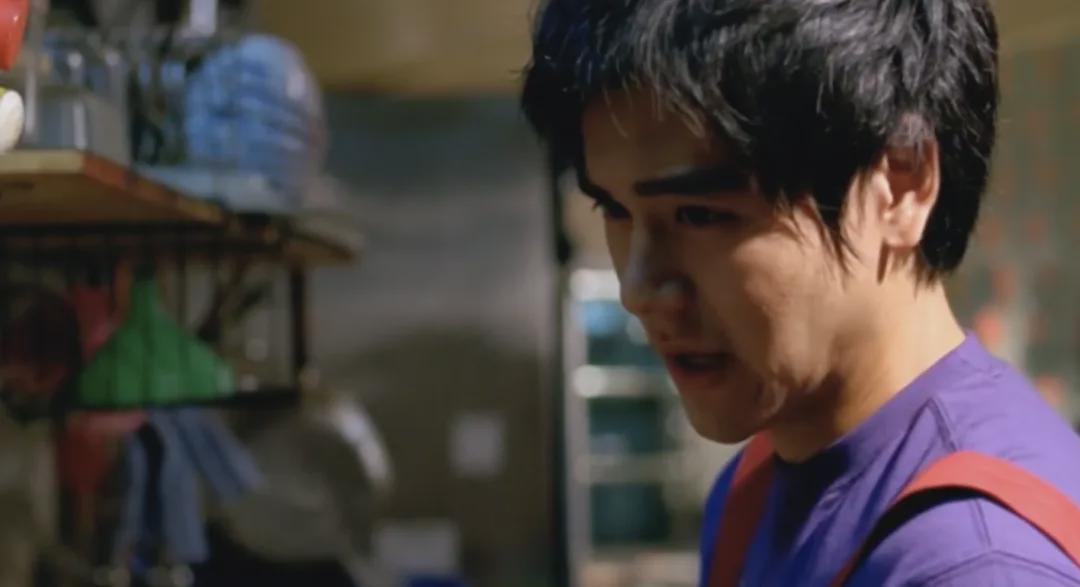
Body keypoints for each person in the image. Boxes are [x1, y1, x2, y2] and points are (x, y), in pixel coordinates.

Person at [520, 1, 1080, 585]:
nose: (638, 290)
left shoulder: (976, 560)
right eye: (615, 210)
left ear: (900, 183)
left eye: (699, 214)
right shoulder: (758, 485)